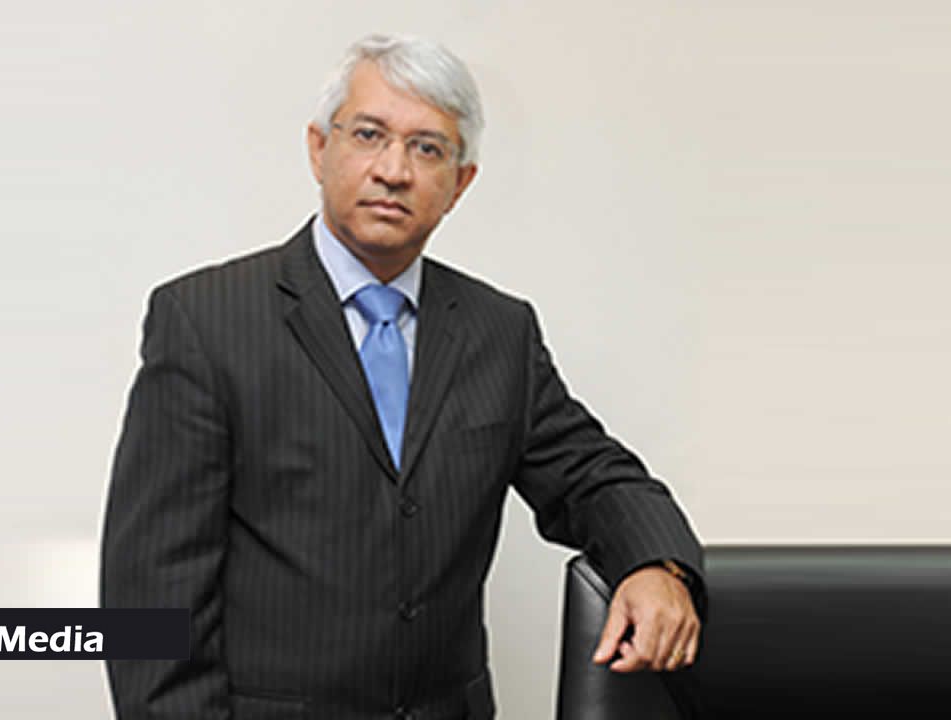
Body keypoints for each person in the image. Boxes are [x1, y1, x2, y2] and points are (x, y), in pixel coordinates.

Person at [101, 33, 706, 720]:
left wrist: (657, 565)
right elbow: (151, 591)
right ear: (318, 149)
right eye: (368, 135)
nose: (394, 170)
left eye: (428, 148)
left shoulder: (499, 332)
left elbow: (592, 476)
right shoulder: (206, 320)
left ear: (460, 183)